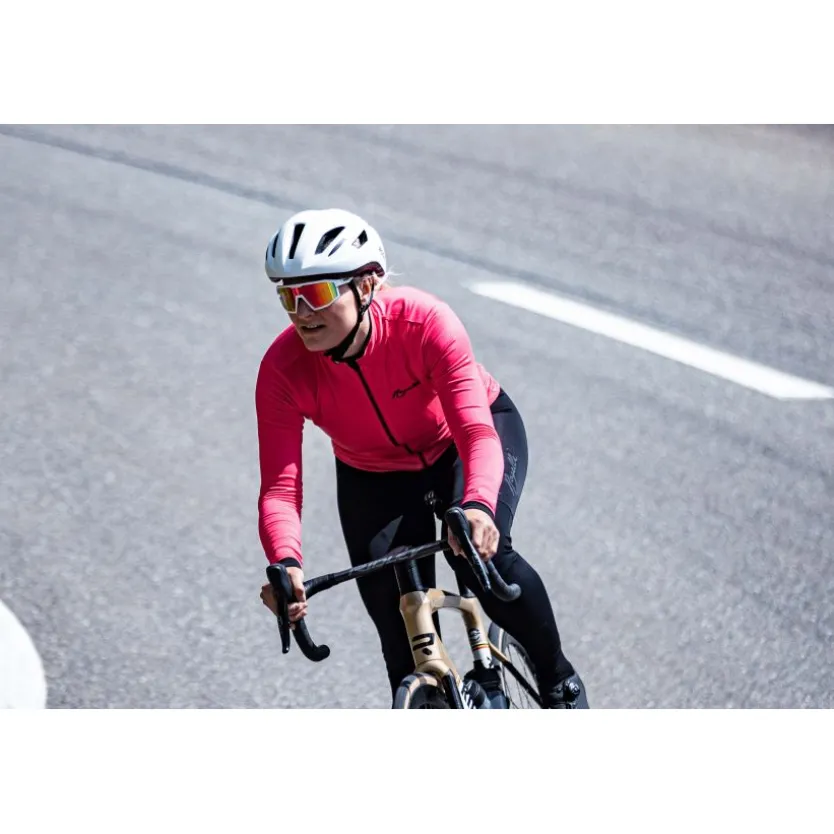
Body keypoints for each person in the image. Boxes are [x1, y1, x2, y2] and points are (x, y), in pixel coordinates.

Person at [256, 207, 588, 708]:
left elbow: (475, 432)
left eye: (317, 293)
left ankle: (559, 683)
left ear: (366, 285)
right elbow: (280, 489)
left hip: (461, 443)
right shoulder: (282, 369)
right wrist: (286, 563)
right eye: (288, 296)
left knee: (482, 562)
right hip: (373, 473)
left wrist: (478, 506)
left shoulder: (425, 322)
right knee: (397, 632)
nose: (301, 312)